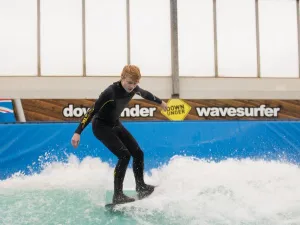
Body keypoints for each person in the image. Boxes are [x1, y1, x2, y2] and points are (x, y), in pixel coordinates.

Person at [71, 65, 168, 204]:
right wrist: (78, 132)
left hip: (115, 124)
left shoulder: (134, 88)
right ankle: (118, 195)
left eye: (135, 83)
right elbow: (91, 111)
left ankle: (141, 187)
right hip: (101, 126)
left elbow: (145, 93)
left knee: (138, 153)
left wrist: (160, 102)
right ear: (122, 78)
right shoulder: (110, 92)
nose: (132, 86)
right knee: (124, 155)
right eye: (129, 82)